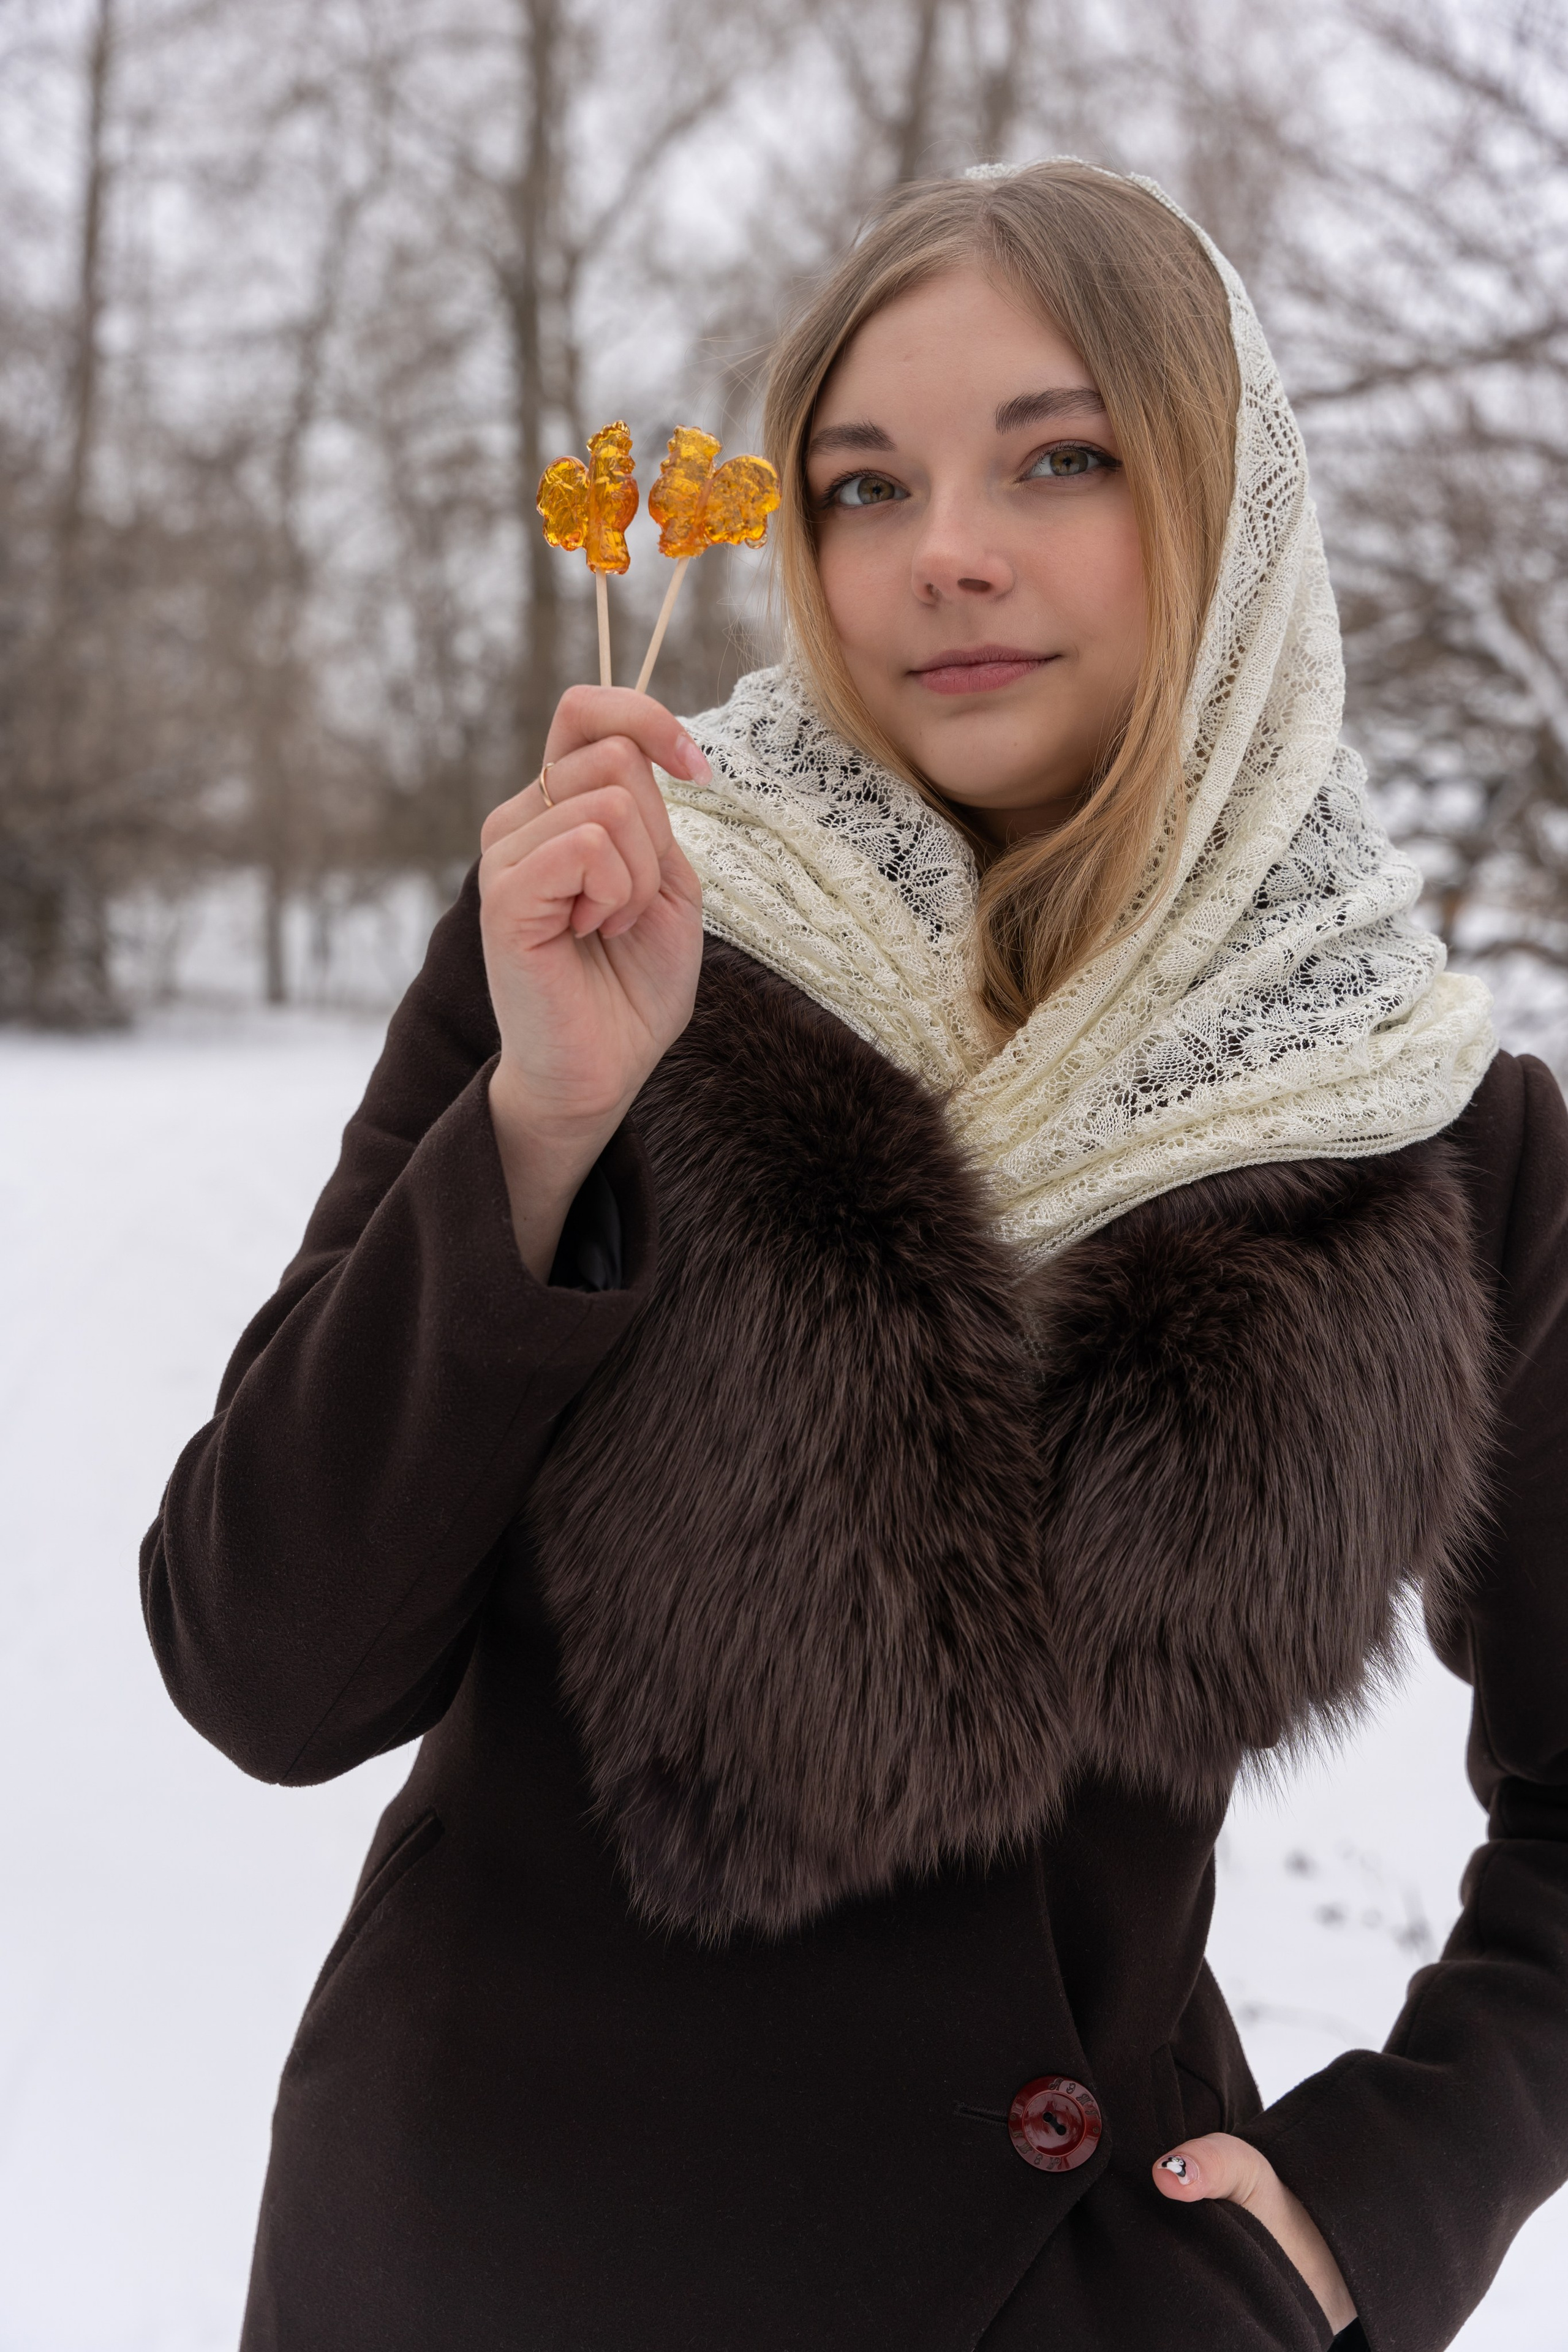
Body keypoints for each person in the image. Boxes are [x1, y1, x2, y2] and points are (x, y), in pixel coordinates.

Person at [142, 160, 1568, 2351]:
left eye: (1062, 458)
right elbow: (265, 1660)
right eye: (863, 483)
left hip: (1067, 2299)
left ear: (1230, 499)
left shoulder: (1433, 1127)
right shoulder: (612, 936)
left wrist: (1368, 2214)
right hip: (473, 2261)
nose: (948, 553)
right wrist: (539, 1127)